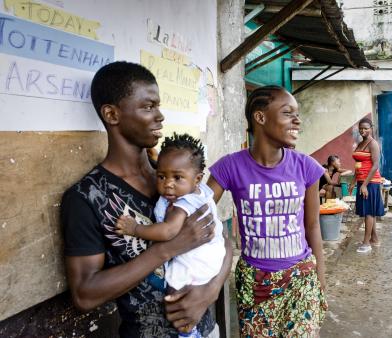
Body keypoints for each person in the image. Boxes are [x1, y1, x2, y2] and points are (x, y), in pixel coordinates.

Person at [61, 61, 232, 338]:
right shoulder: (87, 197)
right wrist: (167, 249)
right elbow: (84, 294)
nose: (160, 116)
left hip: (206, 328)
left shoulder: (176, 180)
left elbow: (223, 240)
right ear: (112, 114)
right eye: (148, 106)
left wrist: (210, 290)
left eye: (159, 106)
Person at [208, 85, 328, 337]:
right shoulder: (230, 167)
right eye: (288, 113)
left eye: (297, 113)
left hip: (299, 276)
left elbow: (312, 226)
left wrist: (320, 278)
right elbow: (198, 212)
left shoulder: (306, 167)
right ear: (260, 117)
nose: (297, 120)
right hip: (254, 281)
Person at [115, 133, 226, 337]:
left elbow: (167, 231)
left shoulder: (182, 204)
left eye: (177, 177)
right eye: (161, 176)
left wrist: (135, 229)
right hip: (213, 256)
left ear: (198, 179)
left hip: (196, 261)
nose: (168, 184)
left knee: (175, 293)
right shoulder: (199, 191)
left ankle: (187, 331)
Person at [350, 117, 384, 253]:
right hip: (362, 181)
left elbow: (375, 165)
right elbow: (358, 165)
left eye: (366, 128)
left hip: (370, 182)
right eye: (361, 128)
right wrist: (354, 182)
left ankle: (366, 243)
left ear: (371, 129)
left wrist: (364, 185)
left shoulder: (373, 144)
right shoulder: (360, 143)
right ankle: (374, 239)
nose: (363, 130)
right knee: (368, 212)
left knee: (369, 212)